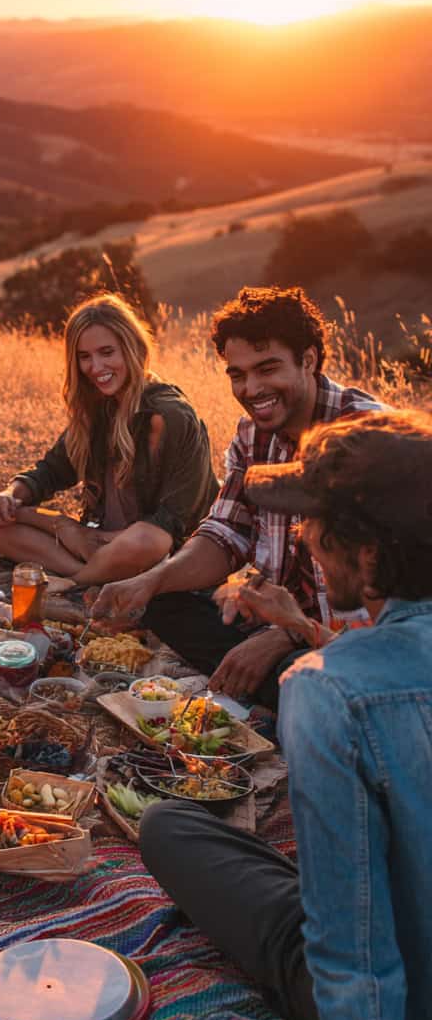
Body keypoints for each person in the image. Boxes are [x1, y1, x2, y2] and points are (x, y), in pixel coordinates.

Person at [139, 408, 432, 1020]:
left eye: (315, 525)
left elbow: (351, 939)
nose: (302, 540)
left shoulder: (327, 692)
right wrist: (302, 629)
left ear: (369, 555)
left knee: (168, 825)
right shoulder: (346, 665)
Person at [92, 286, 382, 709]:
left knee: (308, 684)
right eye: (238, 374)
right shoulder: (252, 434)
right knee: (163, 600)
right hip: (269, 617)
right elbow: (225, 533)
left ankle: (288, 690)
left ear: (309, 360)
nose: (252, 389)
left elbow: (393, 613)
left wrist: (285, 635)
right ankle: (270, 681)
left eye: (267, 369)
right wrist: (149, 581)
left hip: (351, 646)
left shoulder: (369, 438)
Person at [0, 293, 217, 584]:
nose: (96, 367)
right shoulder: (96, 409)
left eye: (107, 352)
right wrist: (10, 495)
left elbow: (172, 525)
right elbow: (50, 471)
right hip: (95, 544)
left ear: (133, 349)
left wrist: (78, 532)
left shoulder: (169, 416)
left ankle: (75, 583)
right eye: (84, 357)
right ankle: (89, 575)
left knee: (144, 542)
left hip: (156, 550)